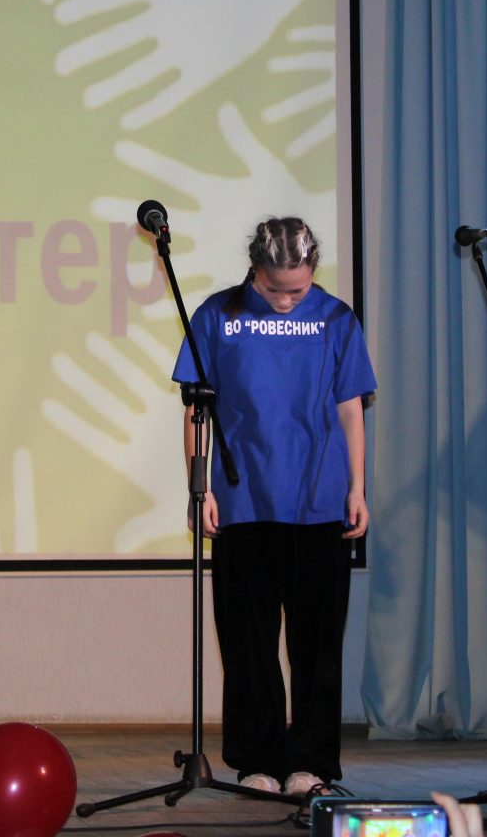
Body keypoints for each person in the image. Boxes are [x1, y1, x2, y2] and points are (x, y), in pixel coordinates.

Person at [172, 217, 374, 799]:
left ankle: (310, 763)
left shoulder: (336, 318)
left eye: (298, 289)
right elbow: (195, 410)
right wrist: (200, 486)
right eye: (276, 288)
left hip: (319, 501)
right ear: (255, 270)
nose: (287, 300)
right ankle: (256, 760)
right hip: (244, 501)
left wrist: (357, 486)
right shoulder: (217, 316)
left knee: (317, 646)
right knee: (248, 644)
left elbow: (351, 407)